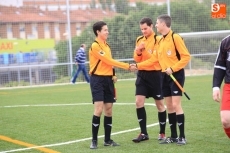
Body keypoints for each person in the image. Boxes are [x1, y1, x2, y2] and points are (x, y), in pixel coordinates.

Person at [136, 14, 191, 145]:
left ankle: (182, 137)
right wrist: (137, 66)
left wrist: (173, 68)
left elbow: (186, 57)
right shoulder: (160, 40)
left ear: (163, 24)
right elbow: (154, 59)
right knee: (170, 106)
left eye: (156, 23)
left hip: (175, 75)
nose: (155, 25)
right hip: (163, 76)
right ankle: (173, 136)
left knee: (177, 105)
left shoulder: (175, 37)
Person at [89, 21, 136, 149]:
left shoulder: (107, 46)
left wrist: (113, 74)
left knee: (108, 110)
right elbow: (108, 60)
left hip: (108, 80)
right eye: (105, 30)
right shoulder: (95, 46)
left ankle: (108, 140)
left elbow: (109, 64)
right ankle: (94, 140)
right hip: (97, 80)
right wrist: (127, 66)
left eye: (107, 30)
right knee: (98, 110)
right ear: (98, 32)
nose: (107, 32)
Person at [131, 17, 167, 143]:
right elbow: (137, 59)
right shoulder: (139, 40)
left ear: (151, 26)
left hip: (156, 75)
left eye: (145, 28)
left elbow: (155, 59)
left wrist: (138, 65)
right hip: (142, 75)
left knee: (160, 105)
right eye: (141, 29)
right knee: (138, 102)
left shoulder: (158, 40)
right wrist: (138, 50)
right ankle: (143, 133)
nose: (143, 31)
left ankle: (162, 133)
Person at [212, 35, 230, 139]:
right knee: (226, 120)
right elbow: (220, 65)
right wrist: (216, 87)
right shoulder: (226, 42)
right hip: (229, 85)